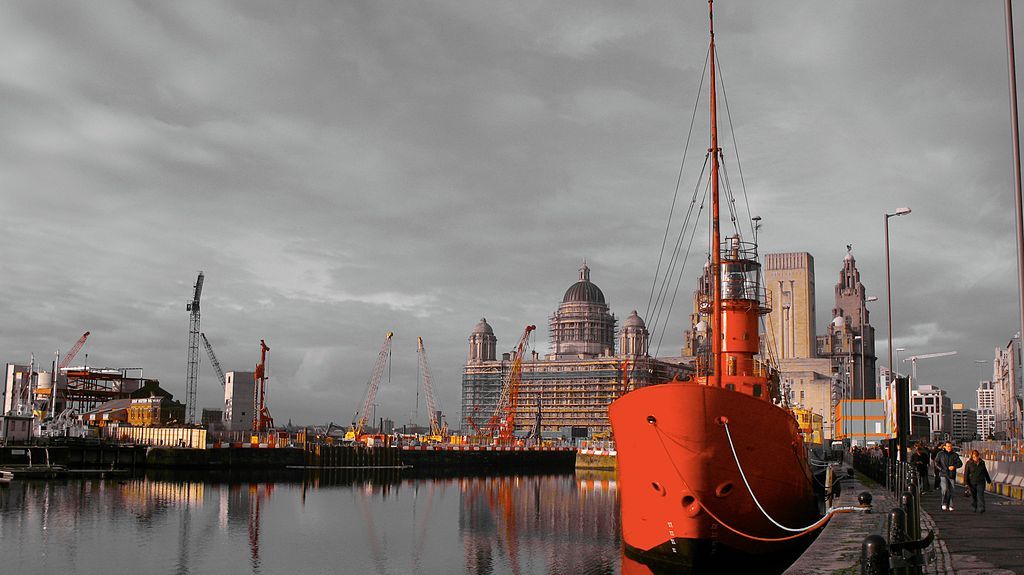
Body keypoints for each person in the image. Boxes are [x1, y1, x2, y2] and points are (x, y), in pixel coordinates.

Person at [933, 441, 963, 511]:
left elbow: (960, 464)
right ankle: (944, 503)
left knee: (952, 490)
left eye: (950, 446)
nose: (949, 447)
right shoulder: (940, 454)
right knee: (945, 489)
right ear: (945, 447)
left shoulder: (955, 455)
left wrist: (954, 466)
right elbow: (936, 463)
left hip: (952, 474)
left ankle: (951, 505)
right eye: (948, 446)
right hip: (943, 474)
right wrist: (941, 469)